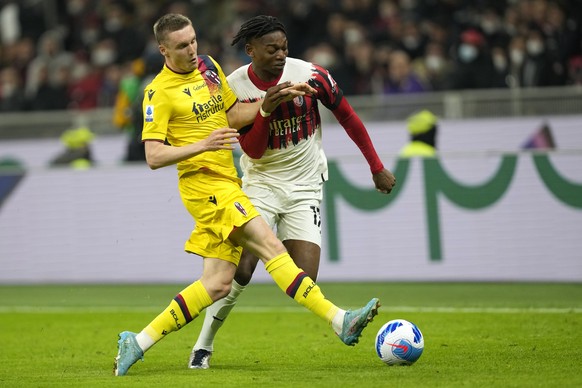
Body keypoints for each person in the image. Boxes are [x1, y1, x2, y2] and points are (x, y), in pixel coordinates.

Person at [113, 13, 383, 376]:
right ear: (163, 50)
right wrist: (203, 143)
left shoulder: (208, 68)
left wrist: (271, 102)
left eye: (193, 40)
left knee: (218, 283)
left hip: (227, 181)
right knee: (270, 247)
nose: (192, 50)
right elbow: (153, 155)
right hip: (206, 187)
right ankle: (340, 320)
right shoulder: (158, 93)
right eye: (182, 46)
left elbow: (235, 113)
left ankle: (138, 341)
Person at [189, 15, 396, 369]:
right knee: (240, 269)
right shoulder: (235, 89)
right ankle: (202, 347)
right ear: (251, 51)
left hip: (305, 186)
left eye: (284, 47)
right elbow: (252, 151)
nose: (281, 55)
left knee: (305, 274)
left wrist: (375, 166)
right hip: (261, 185)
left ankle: (335, 318)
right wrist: (267, 110)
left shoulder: (311, 75)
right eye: (272, 49)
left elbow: (347, 116)